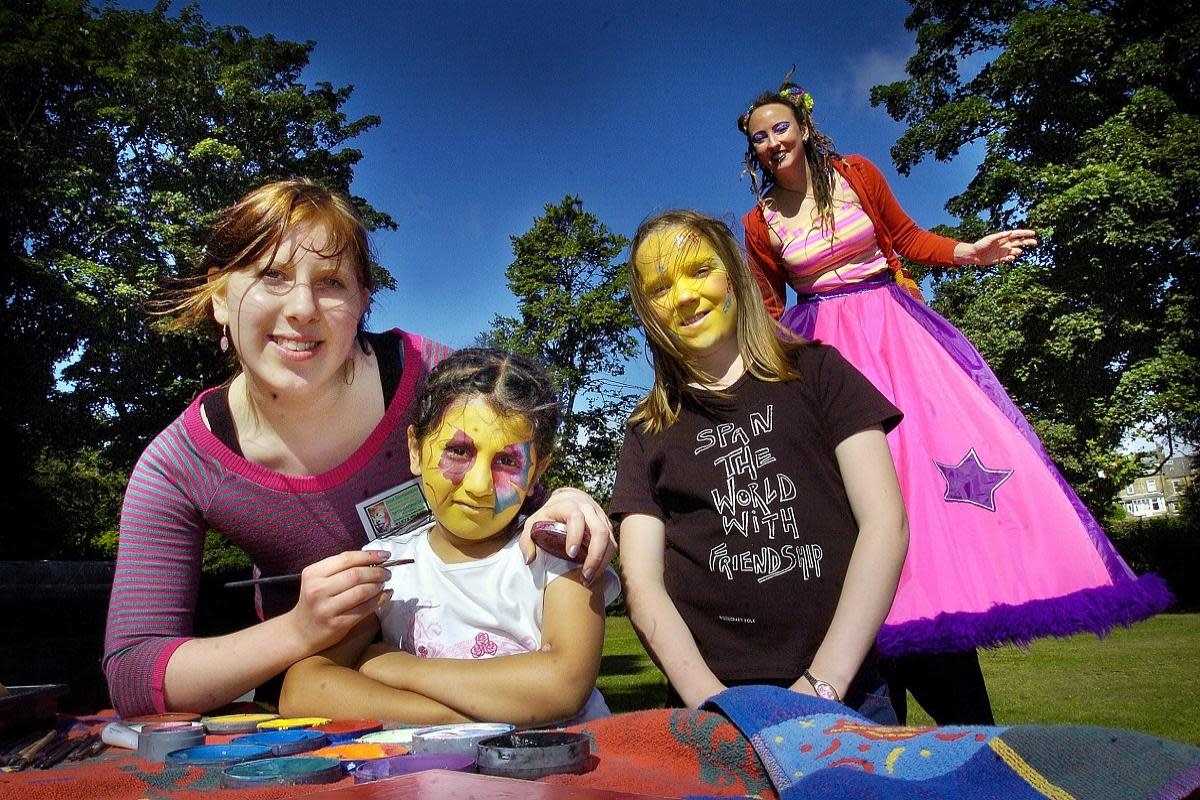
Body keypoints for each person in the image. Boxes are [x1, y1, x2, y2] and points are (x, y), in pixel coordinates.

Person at [737, 75, 1172, 723]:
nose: (773, 142)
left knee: (924, 484)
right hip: (827, 354)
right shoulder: (759, 221)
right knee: (845, 497)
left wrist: (972, 251)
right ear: (754, 154)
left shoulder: (856, 174)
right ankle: (874, 672)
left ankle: (937, 622)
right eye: (759, 138)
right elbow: (768, 310)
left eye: (780, 127)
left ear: (802, 127)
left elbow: (909, 240)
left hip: (898, 338)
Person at [102, 180, 616, 718]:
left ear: (362, 303)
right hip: (325, 720)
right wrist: (299, 630)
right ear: (220, 295)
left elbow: (515, 461)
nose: (302, 308)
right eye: (271, 275)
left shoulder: (437, 382)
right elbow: (136, 673)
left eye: (331, 282)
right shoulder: (178, 466)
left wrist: (565, 498)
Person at [610, 210, 908, 722]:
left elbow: (886, 524)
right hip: (708, 711)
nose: (683, 296)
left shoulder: (821, 375)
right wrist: (712, 703)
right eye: (660, 287)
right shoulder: (645, 431)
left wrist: (822, 685)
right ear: (647, 311)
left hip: (847, 696)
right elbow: (641, 582)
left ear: (734, 273)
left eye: (699, 270)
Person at [279, 348, 619, 726]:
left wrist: (402, 669)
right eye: (459, 451)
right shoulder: (386, 567)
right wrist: (463, 716)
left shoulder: (560, 550)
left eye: (507, 461)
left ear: (537, 470)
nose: (478, 486)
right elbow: (303, 691)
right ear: (414, 450)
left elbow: (562, 686)